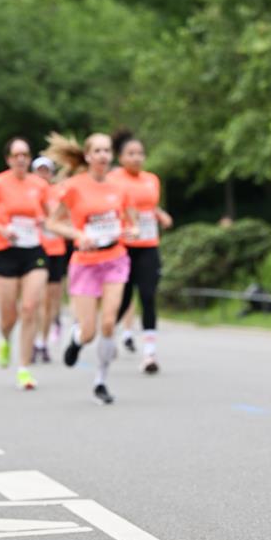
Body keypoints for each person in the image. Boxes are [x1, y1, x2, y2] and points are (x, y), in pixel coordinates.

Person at [46, 132, 135, 404]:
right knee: (89, 331)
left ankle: (101, 381)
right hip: (85, 263)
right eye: (97, 151)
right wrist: (77, 235)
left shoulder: (119, 188)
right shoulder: (74, 187)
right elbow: (53, 223)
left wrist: (132, 230)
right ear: (87, 156)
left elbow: (131, 222)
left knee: (108, 322)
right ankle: (76, 338)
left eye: (107, 151)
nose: (103, 156)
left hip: (115, 260)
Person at [0, 136, 50, 390]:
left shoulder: (39, 185)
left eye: (25, 154)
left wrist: (45, 222)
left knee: (30, 307)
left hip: (33, 251)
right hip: (4, 251)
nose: (21, 159)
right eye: (16, 155)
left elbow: (52, 214)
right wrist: (0, 229)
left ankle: (24, 369)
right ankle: (5, 338)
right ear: (8, 159)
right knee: (9, 316)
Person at [108, 131, 173, 373]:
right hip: (123, 247)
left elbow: (150, 204)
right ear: (121, 157)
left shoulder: (151, 179)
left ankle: (149, 353)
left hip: (148, 245)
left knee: (148, 295)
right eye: (131, 154)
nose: (136, 158)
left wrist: (160, 214)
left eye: (140, 154)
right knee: (123, 298)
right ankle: (109, 336)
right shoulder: (113, 179)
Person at [30, 155, 66, 363]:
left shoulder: (59, 193)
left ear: (51, 173)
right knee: (41, 300)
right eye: (39, 170)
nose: (43, 174)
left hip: (57, 250)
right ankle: (37, 342)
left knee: (53, 299)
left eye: (46, 170)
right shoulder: (29, 192)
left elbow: (67, 216)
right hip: (37, 250)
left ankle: (44, 339)